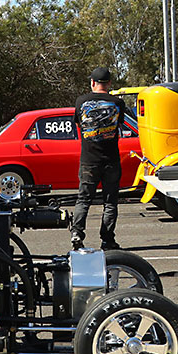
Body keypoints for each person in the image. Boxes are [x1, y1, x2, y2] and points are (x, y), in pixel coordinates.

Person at [71, 67, 126, 251]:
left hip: (89, 160)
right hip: (111, 159)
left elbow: (79, 126)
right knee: (110, 202)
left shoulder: (81, 101)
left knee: (83, 199)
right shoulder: (117, 103)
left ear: (92, 82)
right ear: (109, 83)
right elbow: (119, 126)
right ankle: (107, 239)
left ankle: (77, 233)